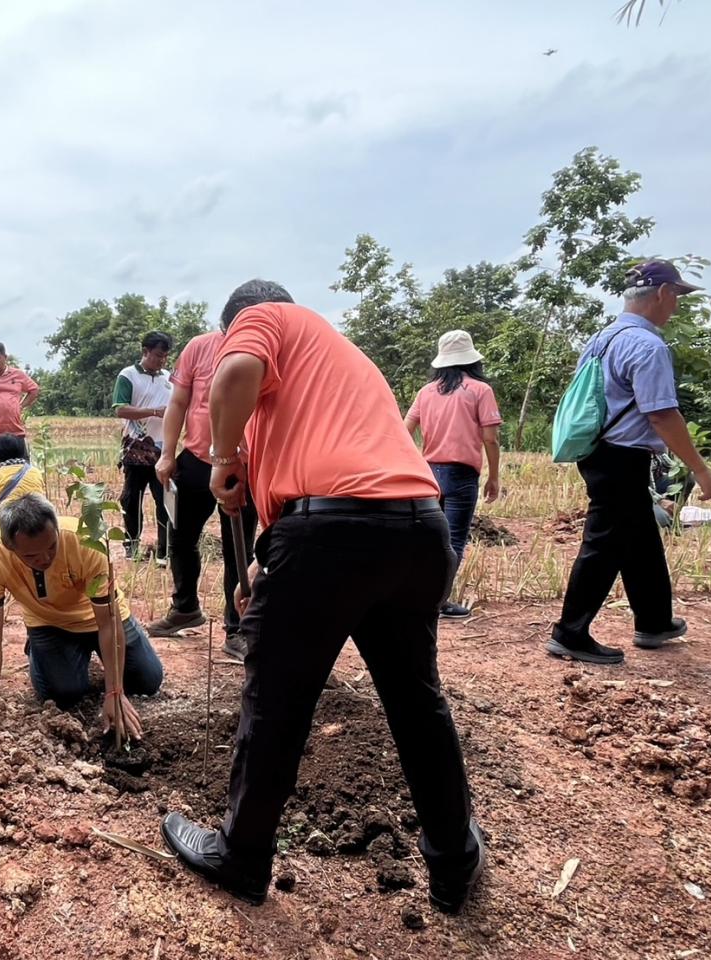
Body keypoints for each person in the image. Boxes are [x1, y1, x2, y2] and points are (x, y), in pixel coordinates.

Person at [160, 280, 483, 915]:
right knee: (416, 700)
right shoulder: (342, 362)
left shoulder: (265, 319)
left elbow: (236, 376)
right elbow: (309, 478)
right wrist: (258, 566)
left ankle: (243, 854)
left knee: (276, 701)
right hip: (419, 527)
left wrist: (222, 457)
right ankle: (455, 859)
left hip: (333, 536)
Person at [548, 260, 711, 665]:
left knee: (640, 537)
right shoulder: (648, 345)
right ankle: (570, 633)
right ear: (662, 293)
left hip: (597, 450)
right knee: (605, 542)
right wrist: (699, 468)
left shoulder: (601, 339)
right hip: (622, 456)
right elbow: (661, 414)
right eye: (676, 296)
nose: (675, 305)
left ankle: (655, 621)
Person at [0, 493, 164, 738]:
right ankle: (39, 650)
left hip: (101, 618)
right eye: (31, 556)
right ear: (9, 546)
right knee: (63, 694)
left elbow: (108, 622)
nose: (45, 558)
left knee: (148, 680)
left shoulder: (86, 542)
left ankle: (96, 661)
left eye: (51, 546)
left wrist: (114, 691)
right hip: (48, 624)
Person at [152, 329, 258, 660]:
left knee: (237, 549)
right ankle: (185, 607)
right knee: (179, 539)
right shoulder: (199, 346)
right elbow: (179, 401)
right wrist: (168, 453)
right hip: (197, 459)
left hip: (244, 465)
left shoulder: (263, 350)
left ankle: (236, 629)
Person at [404, 330, 503, 620]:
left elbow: (404, 429)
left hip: (428, 473)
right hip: (462, 474)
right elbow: (491, 439)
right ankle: (438, 601)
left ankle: (418, 593)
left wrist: (413, 462)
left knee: (429, 538)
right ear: (472, 359)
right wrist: (494, 476)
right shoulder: (480, 390)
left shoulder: (427, 392)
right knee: (455, 539)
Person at [113, 331, 173, 564]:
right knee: (131, 498)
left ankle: (163, 551)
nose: (162, 361)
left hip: (163, 450)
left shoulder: (168, 378)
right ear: (145, 351)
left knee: (164, 500)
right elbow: (120, 409)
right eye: (158, 355)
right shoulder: (128, 376)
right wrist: (156, 412)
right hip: (135, 448)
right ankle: (131, 546)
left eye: (166, 356)